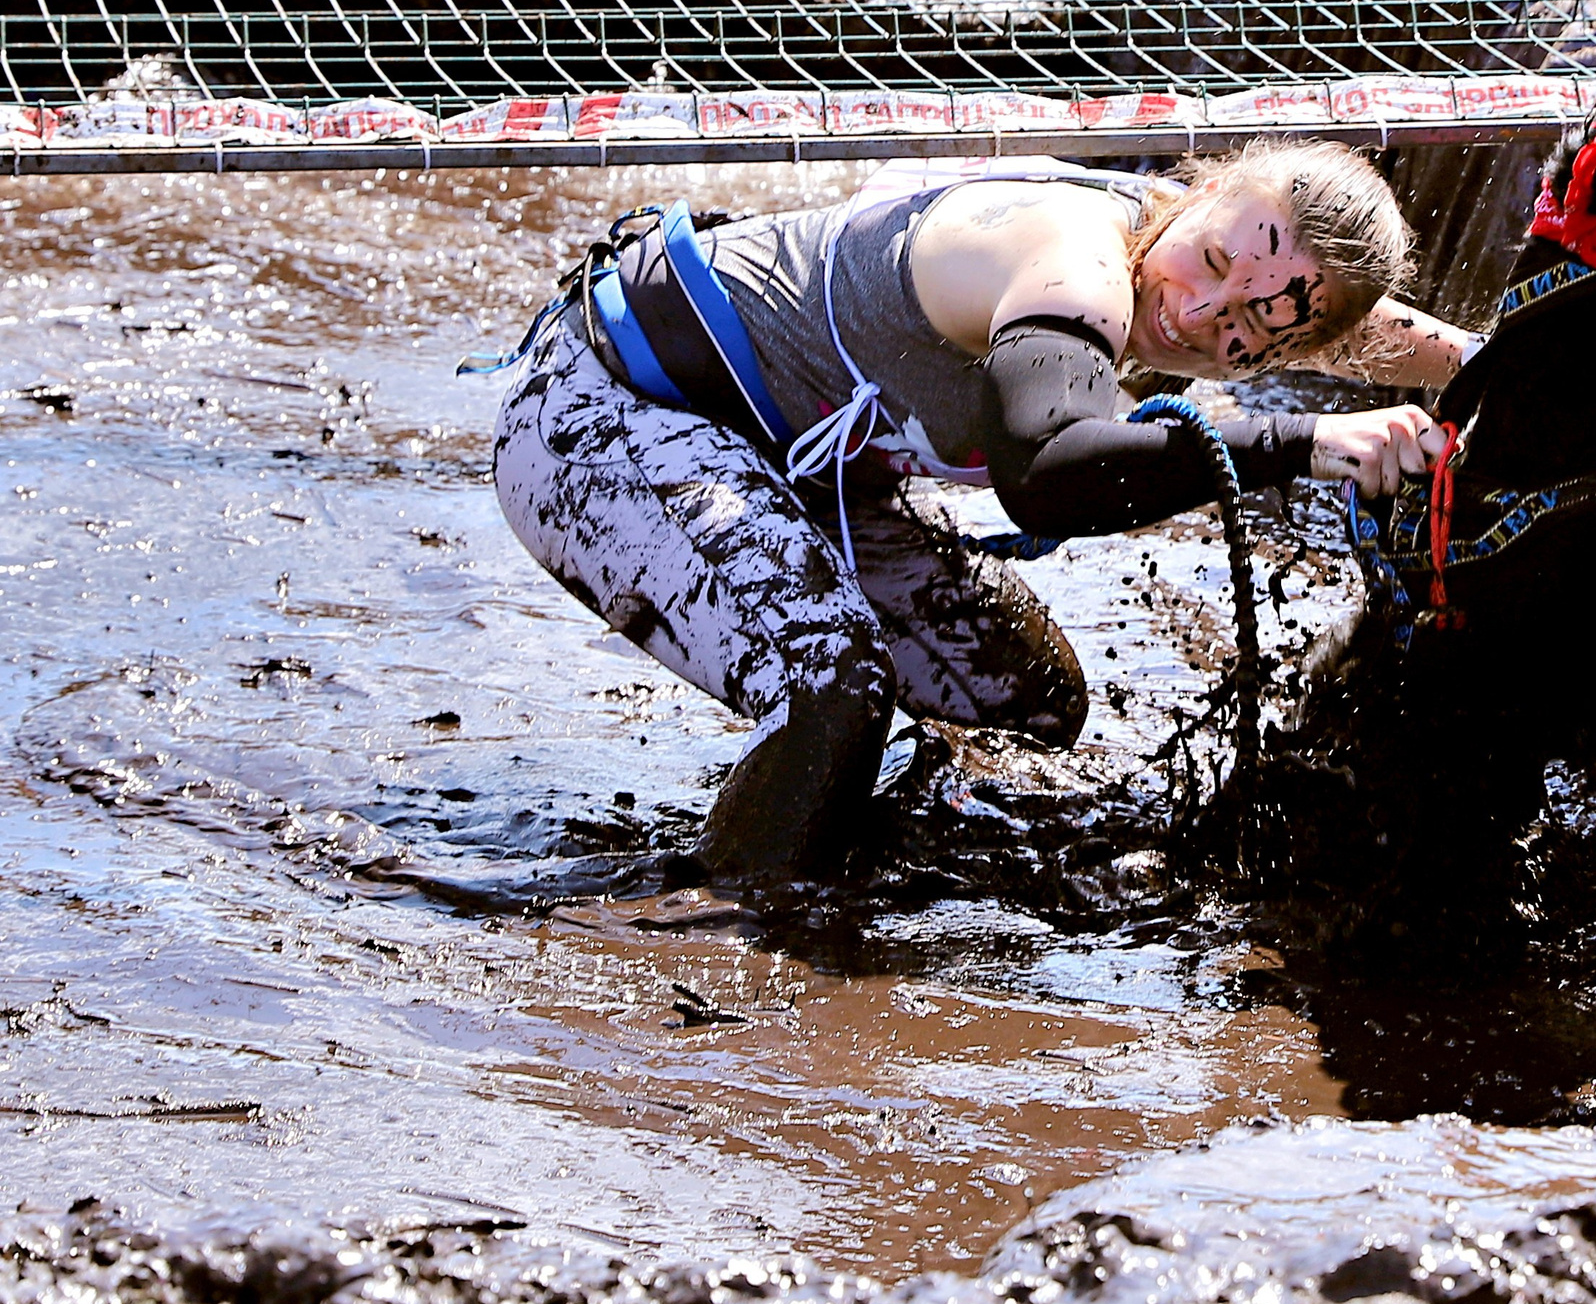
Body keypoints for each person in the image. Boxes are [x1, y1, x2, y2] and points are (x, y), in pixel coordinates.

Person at [489, 139, 1479, 876]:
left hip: (789, 465)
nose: (1202, 312)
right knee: (831, 687)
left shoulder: (1251, 260)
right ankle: (735, 934)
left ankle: (856, 831)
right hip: (604, 406)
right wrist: (1302, 444)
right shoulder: (1075, 262)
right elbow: (1048, 468)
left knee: (1024, 702)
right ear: (1201, 192)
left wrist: (1498, 369)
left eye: (1256, 323)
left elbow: (1358, 321)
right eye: (1212, 265)